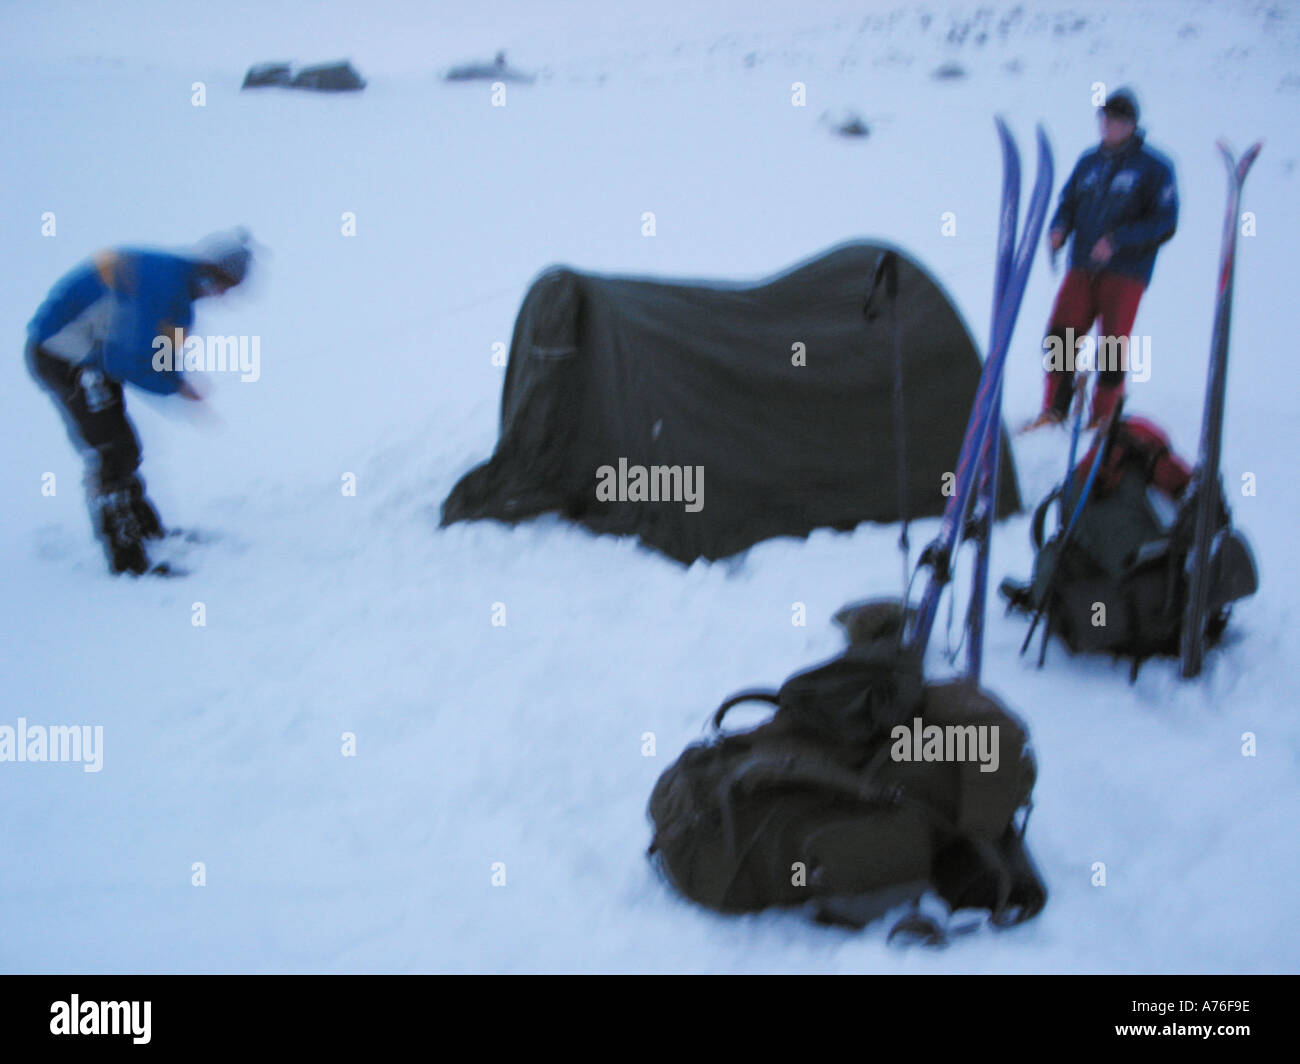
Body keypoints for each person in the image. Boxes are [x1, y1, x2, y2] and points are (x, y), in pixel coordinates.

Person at [26, 229, 253, 574]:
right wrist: (175, 387)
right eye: (228, 286)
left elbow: (160, 355)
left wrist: (177, 383)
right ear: (215, 271)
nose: (225, 296)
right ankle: (127, 559)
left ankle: (149, 532)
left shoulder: (182, 297)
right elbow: (125, 361)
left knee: (124, 447)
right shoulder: (158, 282)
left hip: (93, 357)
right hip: (60, 355)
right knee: (113, 450)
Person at [1028, 88, 1178, 430]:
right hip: (1082, 267)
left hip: (1126, 272)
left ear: (1131, 125)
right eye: (1104, 119)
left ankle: (1103, 417)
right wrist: (1059, 228)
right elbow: (1068, 201)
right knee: (1061, 336)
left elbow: (1166, 222)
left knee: (1111, 345)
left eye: (1115, 121)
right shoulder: (1089, 162)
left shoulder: (1154, 168)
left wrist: (1118, 240)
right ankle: (1055, 407)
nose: (1107, 126)